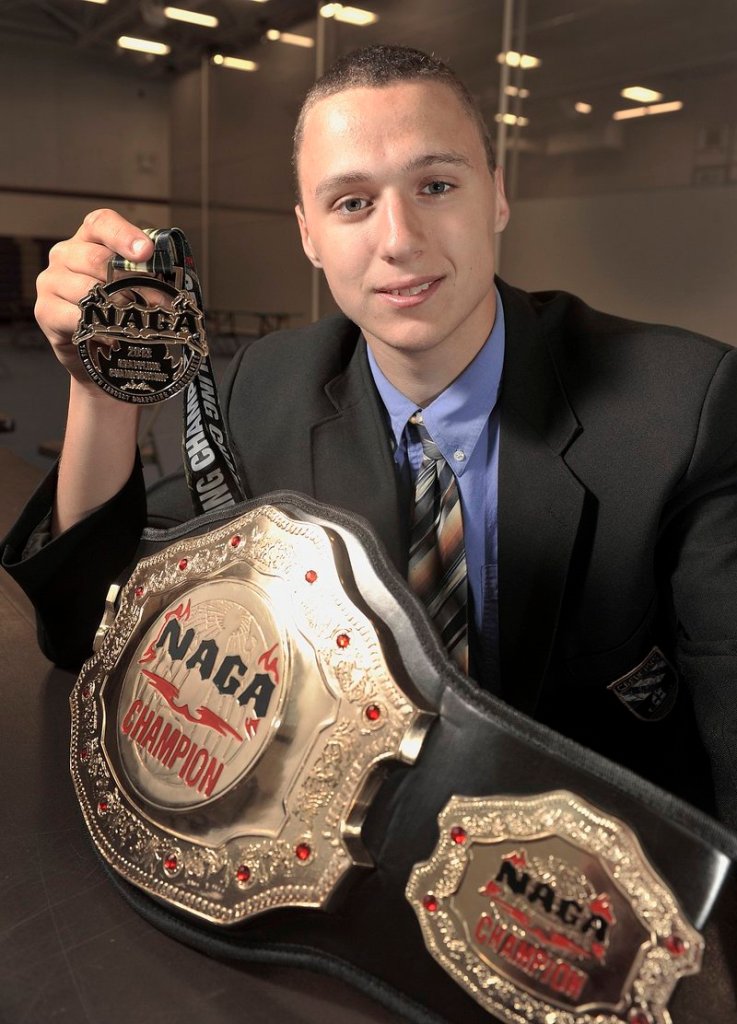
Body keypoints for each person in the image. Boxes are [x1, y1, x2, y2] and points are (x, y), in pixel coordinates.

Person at [3, 45, 737, 829]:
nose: (398, 239)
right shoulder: (267, 389)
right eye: (351, 203)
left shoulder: (681, 406)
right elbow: (94, 632)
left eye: (436, 186)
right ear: (308, 235)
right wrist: (103, 386)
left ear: (495, 196)